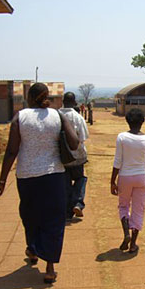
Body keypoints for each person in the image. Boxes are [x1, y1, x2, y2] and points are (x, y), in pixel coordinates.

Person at [0, 83, 79, 284]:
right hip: (54, 175)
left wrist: (2, 180)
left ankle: (32, 249)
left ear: (29, 98)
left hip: (27, 177)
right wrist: (62, 124)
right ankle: (49, 268)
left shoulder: (20, 117)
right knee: (54, 220)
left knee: (30, 216)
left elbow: (12, 151)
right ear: (47, 97)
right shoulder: (57, 115)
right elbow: (74, 143)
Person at [110, 108, 145, 253]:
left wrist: (112, 181)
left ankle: (126, 233)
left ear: (127, 121)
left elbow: (118, 161)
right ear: (142, 122)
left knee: (123, 206)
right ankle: (133, 243)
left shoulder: (122, 137)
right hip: (141, 177)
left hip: (125, 177)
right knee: (138, 210)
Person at [59, 92, 89, 220]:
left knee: (65, 184)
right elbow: (83, 137)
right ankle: (77, 203)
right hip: (77, 156)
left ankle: (67, 212)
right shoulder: (77, 117)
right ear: (74, 102)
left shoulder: (56, 115)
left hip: (61, 157)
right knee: (80, 179)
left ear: (63, 101)